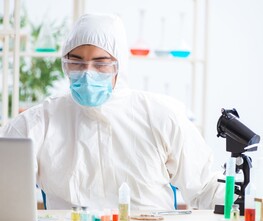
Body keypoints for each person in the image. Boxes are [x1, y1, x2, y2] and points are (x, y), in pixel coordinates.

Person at [0, 13, 224, 210]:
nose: (87, 73)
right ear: (64, 65)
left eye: (101, 63)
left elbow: (204, 188)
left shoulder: (161, 115)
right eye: (76, 63)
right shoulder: (37, 123)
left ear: (120, 65)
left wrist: (240, 206)